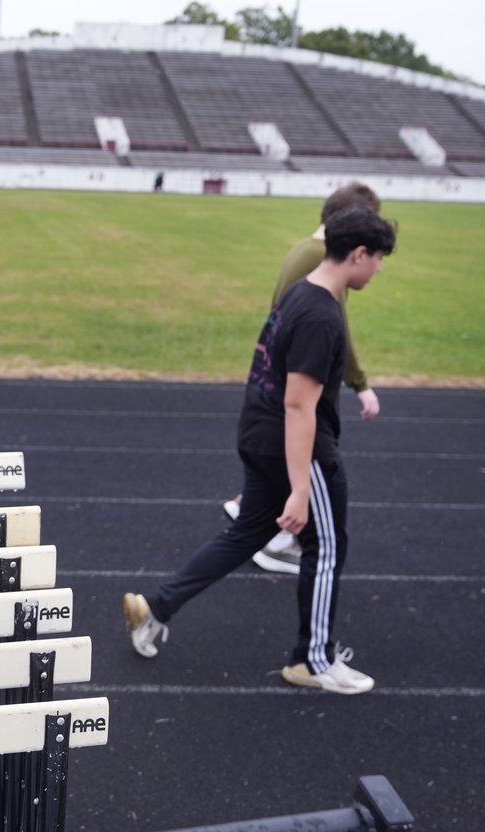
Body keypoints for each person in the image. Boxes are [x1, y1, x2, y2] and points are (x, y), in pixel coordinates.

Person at [124, 207, 397, 695]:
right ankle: (311, 661)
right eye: (378, 259)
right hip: (297, 446)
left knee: (247, 532)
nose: (378, 269)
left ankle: (157, 607)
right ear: (358, 254)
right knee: (326, 547)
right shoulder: (322, 316)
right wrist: (298, 490)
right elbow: (298, 406)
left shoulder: (301, 293)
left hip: (257, 431)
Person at [229, 182, 384, 574]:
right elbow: (332, 327)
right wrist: (360, 382)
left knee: (287, 471)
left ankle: (252, 510)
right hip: (295, 380)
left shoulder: (306, 248)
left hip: (281, 379)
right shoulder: (322, 260)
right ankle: (278, 537)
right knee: (306, 465)